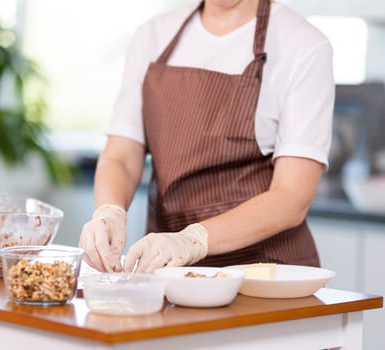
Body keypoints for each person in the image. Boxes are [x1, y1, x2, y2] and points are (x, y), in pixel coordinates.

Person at [79, 0, 334, 273]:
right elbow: (121, 156)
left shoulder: (302, 45)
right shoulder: (153, 37)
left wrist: (192, 240)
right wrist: (109, 212)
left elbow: (292, 196)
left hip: (263, 275)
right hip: (168, 274)